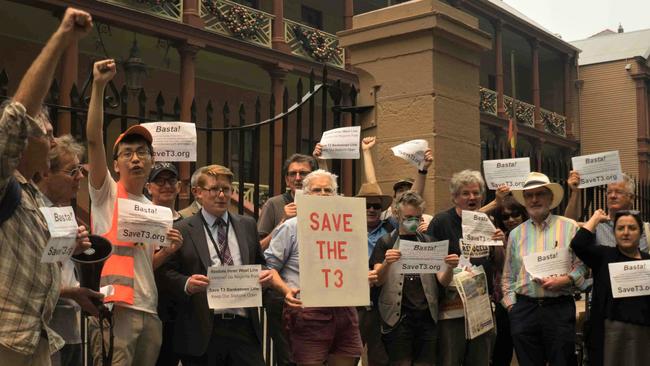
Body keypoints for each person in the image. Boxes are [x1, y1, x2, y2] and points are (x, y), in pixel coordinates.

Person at [0, 8, 93, 365]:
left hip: (34, 338)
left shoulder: (33, 195)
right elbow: (17, 118)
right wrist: (62, 38)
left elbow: (33, 270)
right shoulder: (4, 184)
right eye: (47, 133)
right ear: (22, 143)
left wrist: (69, 291)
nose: (54, 142)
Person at [85, 59, 183, 365]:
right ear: (116, 164)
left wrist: (168, 252)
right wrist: (99, 86)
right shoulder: (107, 192)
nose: (135, 159)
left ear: (152, 161)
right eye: (127, 154)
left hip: (148, 309)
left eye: (142, 153)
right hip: (115, 307)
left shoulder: (154, 209)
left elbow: (143, 261)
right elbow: (93, 138)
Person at [158, 165, 274, 366]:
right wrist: (186, 283)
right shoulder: (182, 229)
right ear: (198, 193)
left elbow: (259, 264)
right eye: (214, 189)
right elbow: (165, 272)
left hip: (243, 326)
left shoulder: (247, 225)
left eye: (226, 189)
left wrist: (264, 276)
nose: (221, 195)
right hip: (203, 328)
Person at [265, 169, 367, 366]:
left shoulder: (349, 227)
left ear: (335, 195)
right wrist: (286, 291)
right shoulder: (291, 227)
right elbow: (269, 268)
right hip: (307, 313)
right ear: (305, 195)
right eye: (316, 190)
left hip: (345, 310)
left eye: (328, 190)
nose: (322, 194)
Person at [502, 172, 588, 366]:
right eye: (529, 195)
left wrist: (567, 280)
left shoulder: (569, 227)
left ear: (550, 198)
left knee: (562, 362)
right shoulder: (516, 234)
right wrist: (512, 307)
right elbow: (508, 275)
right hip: (524, 310)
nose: (534, 199)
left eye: (540, 194)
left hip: (558, 309)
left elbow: (582, 266)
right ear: (524, 200)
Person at [36, 135, 105, 366]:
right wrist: (68, 250)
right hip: (40, 331)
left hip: (70, 326)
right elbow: (31, 276)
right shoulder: (31, 211)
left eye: (80, 169)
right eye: (72, 171)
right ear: (46, 172)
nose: (80, 177)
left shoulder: (64, 211)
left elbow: (65, 266)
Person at [371, 191, 459, 366]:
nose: (413, 222)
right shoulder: (386, 242)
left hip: (426, 317)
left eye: (417, 218)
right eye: (408, 217)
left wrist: (450, 266)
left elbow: (443, 280)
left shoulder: (429, 242)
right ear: (397, 215)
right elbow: (377, 280)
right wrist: (387, 263)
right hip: (398, 318)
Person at [425, 169, 501, 366]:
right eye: (465, 193)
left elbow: (498, 263)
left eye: (476, 193)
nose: (472, 197)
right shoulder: (441, 222)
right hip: (452, 309)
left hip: (482, 307)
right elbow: (431, 263)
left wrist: (501, 243)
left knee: (481, 360)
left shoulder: (487, 222)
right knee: (450, 360)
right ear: (455, 198)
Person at [257, 153, 317, 366]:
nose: (298, 177)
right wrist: (283, 222)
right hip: (284, 299)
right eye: (293, 173)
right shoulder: (274, 205)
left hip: (321, 299)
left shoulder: (325, 205)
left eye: (304, 173)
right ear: (286, 180)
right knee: (289, 359)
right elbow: (258, 251)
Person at [571, 209, 650, 366]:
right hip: (609, 334)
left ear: (641, 233)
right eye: (620, 228)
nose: (626, 232)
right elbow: (578, 244)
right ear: (614, 233)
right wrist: (595, 219)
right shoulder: (603, 256)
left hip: (643, 333)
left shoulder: (648, 261)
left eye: (632, 228)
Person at [147, 162, 183, 366]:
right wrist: (168, 252)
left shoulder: (188, 222)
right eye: (159, 180)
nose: (166, 185)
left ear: (179, 186)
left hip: (179, 310)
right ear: (148, 186)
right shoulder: (141, 219)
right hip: (151, 306)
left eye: (170, 180)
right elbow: (141, 266)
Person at [355, 181, 393, 366]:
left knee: (379, 357)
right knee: (347, 354)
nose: (371, 209)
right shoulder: (345, 228)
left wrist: (423, 171)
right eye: (366, 205)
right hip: (353, 303)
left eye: (376, 206)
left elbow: (414, 196)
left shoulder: (390, 228)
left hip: (380, 301)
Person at [489, 187, 527, 366]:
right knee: (503, 346)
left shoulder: (531, 235)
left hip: (527, 298)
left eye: (515, 214)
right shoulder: (497, 236)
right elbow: (500, 267)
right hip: (504, 300)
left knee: (526, 348)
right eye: (505, 217)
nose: (511, 220)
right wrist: (501, 245)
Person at [565, 171, 649, 252]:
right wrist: (575, 192)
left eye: (618, 192)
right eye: (609, 192)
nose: (612, 196)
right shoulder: (597, 226)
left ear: (631, 198)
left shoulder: (645, 229)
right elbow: (569, 226)